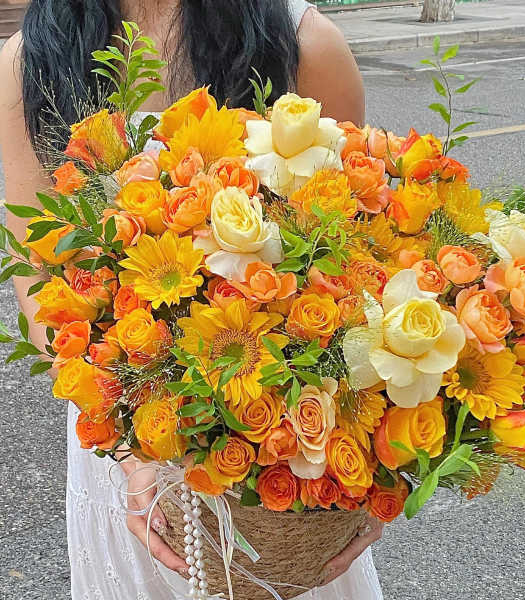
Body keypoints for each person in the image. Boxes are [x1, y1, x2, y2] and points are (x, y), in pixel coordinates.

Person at [0, 1, 385, 599]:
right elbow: (40, 276)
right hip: (125, 438)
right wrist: (133, 452)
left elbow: (361, 262)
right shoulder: (33, 63)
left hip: (284, 447)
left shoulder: (304, 44)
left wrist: (378, 476)